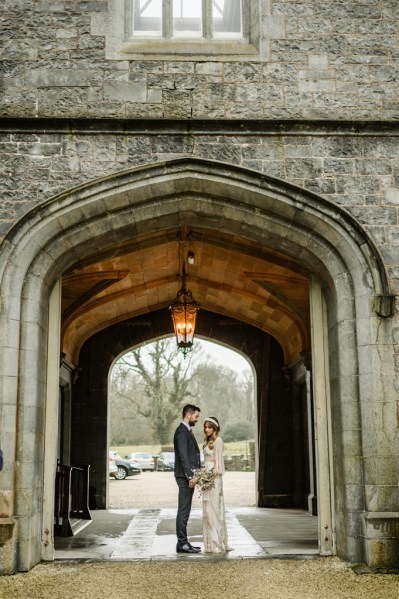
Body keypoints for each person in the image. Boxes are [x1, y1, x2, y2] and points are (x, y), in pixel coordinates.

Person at [174, 403, 201, 554]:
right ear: (188, 415)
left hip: (186, 476)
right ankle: (182, 544)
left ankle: (184, 542)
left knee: (185, 510)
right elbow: (184, 456)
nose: (197, 420)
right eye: (196, 416)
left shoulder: (186, 431)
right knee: (183, 511)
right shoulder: (182, 432)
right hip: (184, 477)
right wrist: (190, 476)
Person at [202, 416, 230, 553]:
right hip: (205, 479)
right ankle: (209, 543)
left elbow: (218, 464)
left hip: (214, 480)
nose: (207, 429)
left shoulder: (219, 441)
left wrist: (210, 477)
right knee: (207, 511)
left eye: (209, 427)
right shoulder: (206, 441)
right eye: (205, 427)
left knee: (215, 510)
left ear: (215, 428)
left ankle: (218, 542)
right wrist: (202, 477)